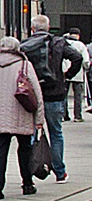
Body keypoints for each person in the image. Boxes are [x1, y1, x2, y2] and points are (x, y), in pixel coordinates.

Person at [21, 14, 85, 183]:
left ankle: (31, 173)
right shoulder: (58, 42)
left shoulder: (25, 45)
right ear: (48, 28)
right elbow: (77, 57)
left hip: (32, 97)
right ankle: (59, 171)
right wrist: (66, 75)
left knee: (31, 134)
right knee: (56, 133)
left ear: (32, 29)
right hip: (55, 94)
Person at [0, 36, 45, 199]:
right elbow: (37, 94)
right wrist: (39, 120)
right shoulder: (25, 65)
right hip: (22, 114)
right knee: (25, 150)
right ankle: (27, 184)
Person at [65, 30, 89, 122]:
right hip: (78, 74)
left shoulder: (64, 44)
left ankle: (64, 115)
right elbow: (85, 60)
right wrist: (85, 68)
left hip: (65, 72)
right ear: (78, 36)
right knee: (78, 95)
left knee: (64, 95)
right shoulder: (81, 45)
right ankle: (77, 116)